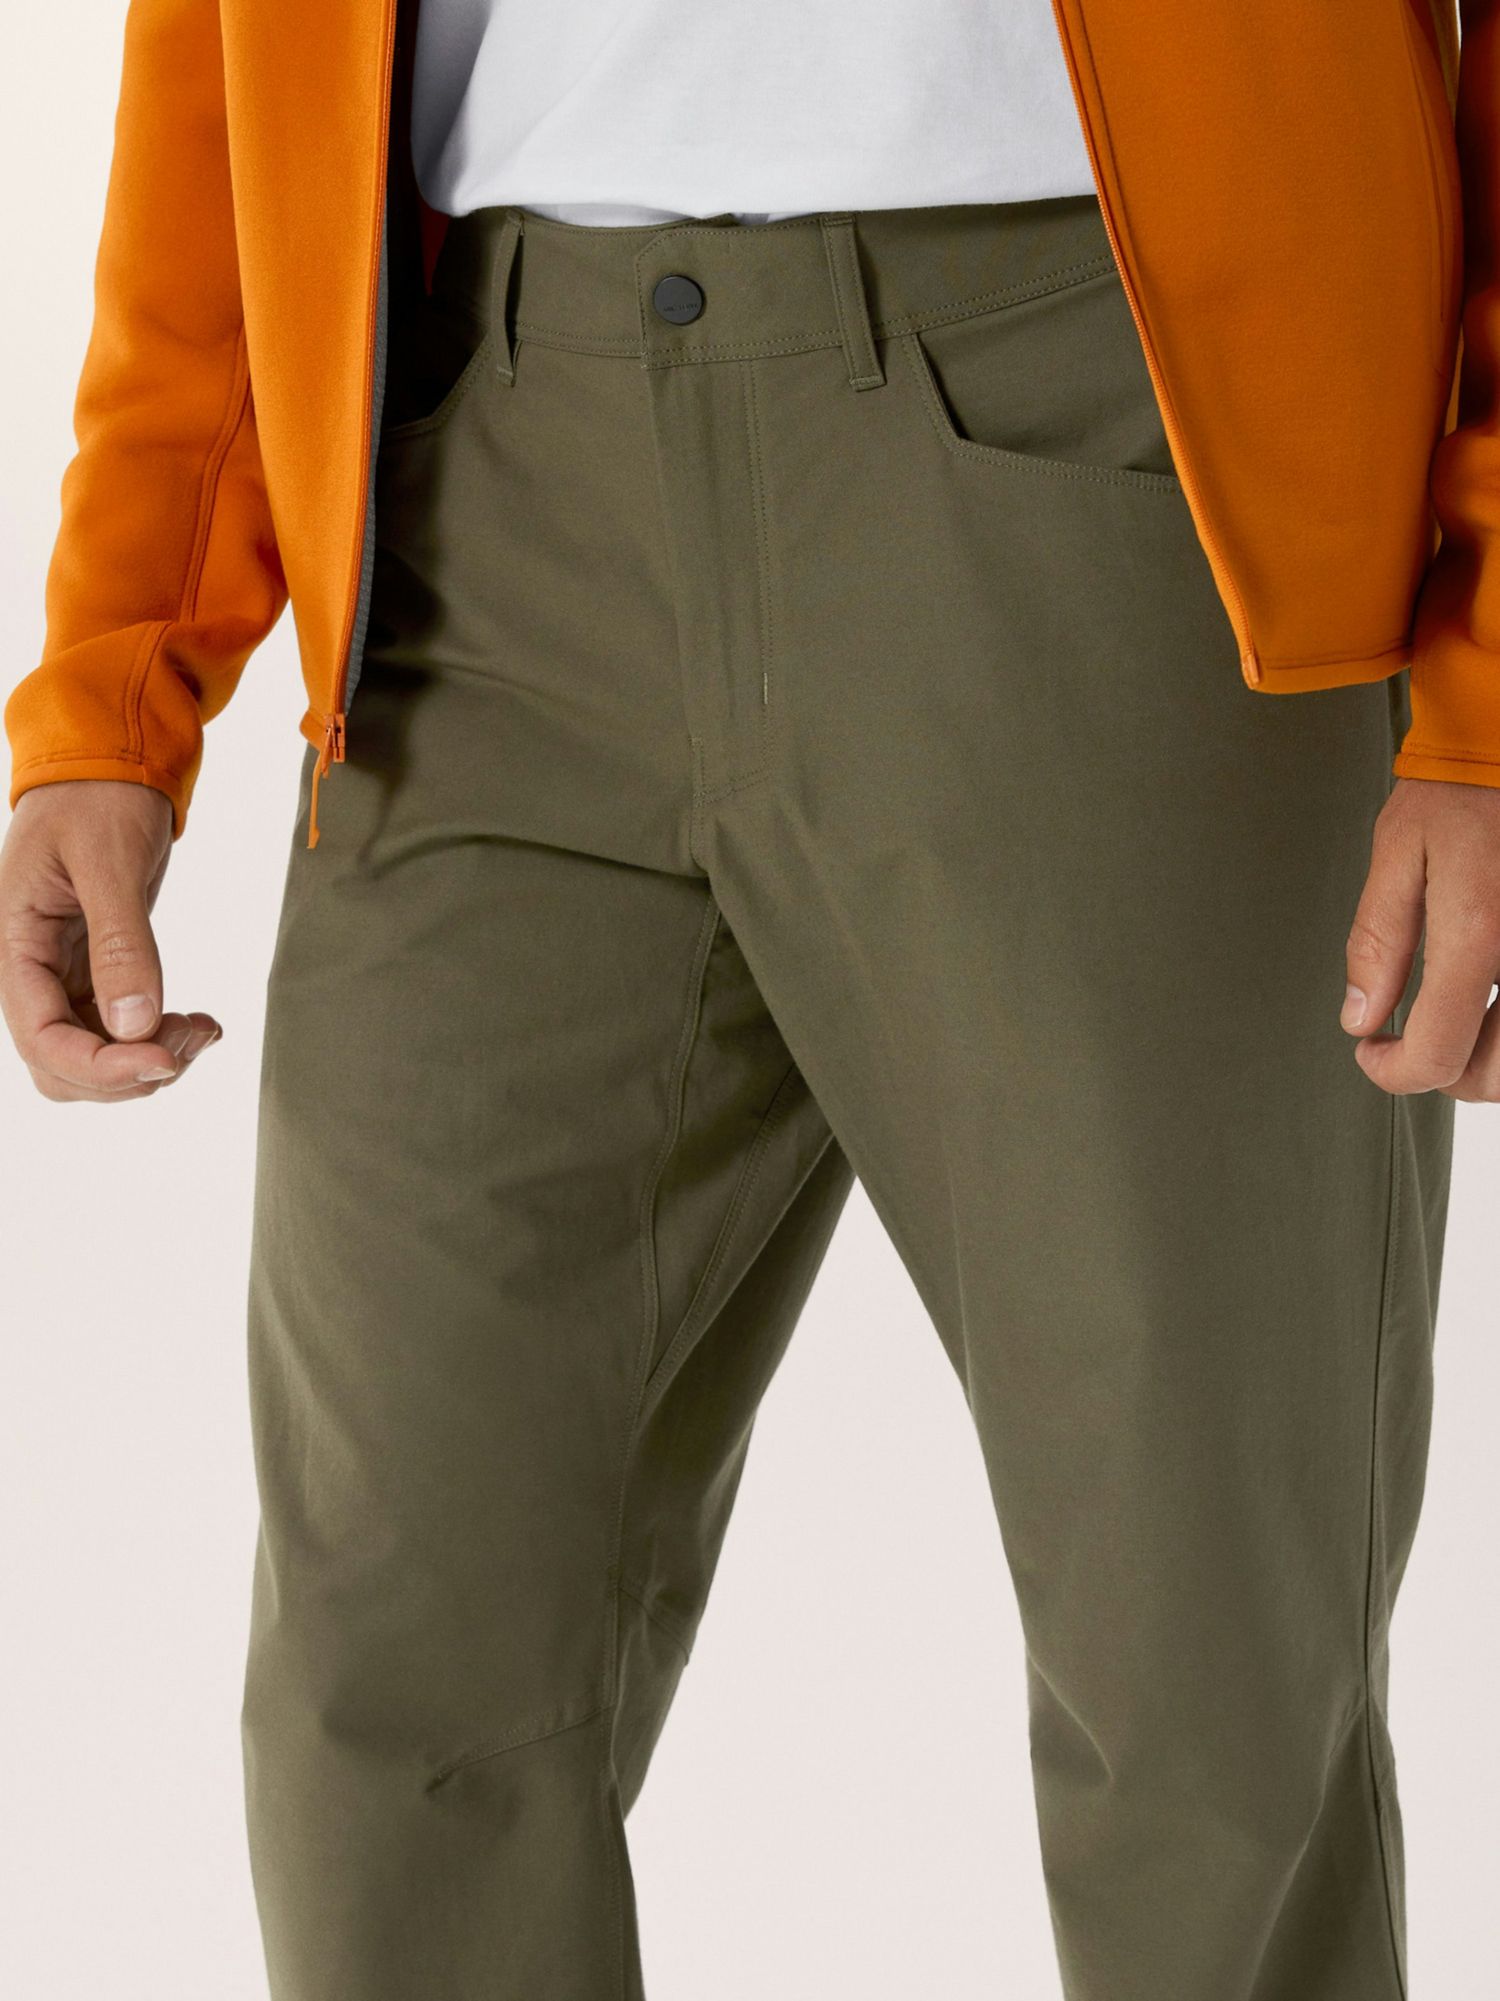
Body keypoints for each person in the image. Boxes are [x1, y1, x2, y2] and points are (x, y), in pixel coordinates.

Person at [1, 3, 1494, 1996]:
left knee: (1209, 1692)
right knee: (399, 1688)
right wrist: (119, 661)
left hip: (1131, 447)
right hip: (478, 508)